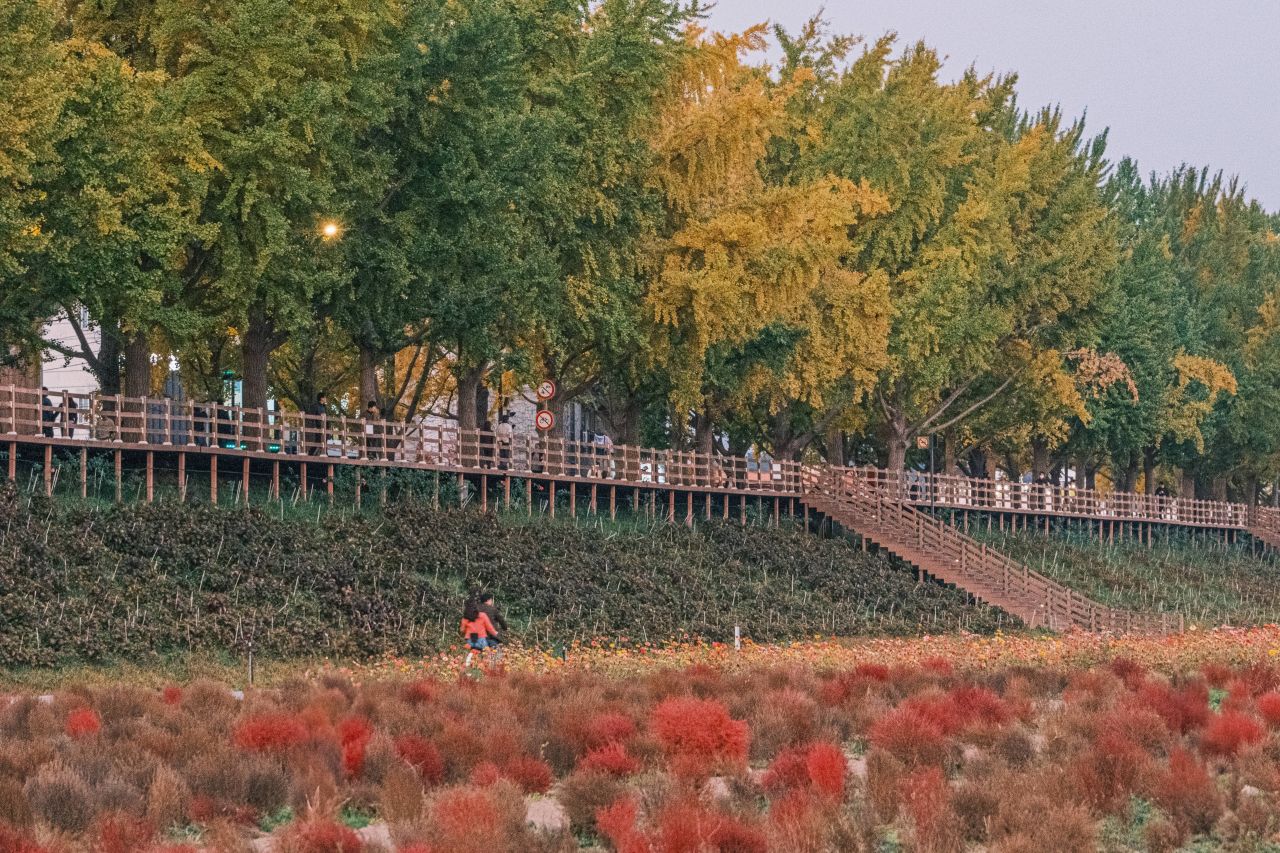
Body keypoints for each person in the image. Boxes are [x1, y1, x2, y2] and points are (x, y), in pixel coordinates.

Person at [461, 597, 499, 667]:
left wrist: (466, 630)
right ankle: (489, 668)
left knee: (471, 652)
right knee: (487, 655)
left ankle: (468, 666)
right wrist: (495, 633)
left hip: (470, 640)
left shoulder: (465, 618)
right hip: (481, 640)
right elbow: (489, 627)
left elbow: (462, 630)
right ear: (476, 607)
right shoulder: (482, 615)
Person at [477, 591, 508, 658]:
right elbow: (501, 620)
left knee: (480, 657)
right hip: (491, 637)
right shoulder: (493, 609)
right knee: (498, 655)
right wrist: (505, 628)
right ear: (488, 600)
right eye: (491, 600)